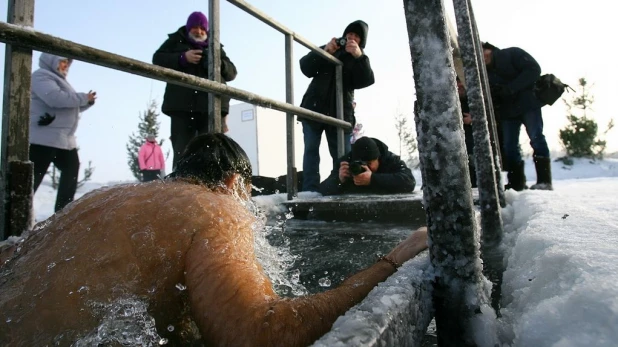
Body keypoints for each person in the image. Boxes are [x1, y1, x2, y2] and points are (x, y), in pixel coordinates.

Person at [0, 133, 429, 346]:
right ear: (232, 182)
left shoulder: (97, 200)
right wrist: (389, 263)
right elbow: (256, 334)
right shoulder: (214, 206)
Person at [153, 11, 237, 169]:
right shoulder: (175, 41)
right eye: (194, 28)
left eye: (202, 28)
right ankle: (180, 187)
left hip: (210, 108)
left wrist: (217, 64)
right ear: (188, 28)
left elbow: (232, 73)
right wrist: (182, 58)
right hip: (181, 107)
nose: (199, 31)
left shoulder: (216, 46)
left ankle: (208, 186)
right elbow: (157, 59)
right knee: (182, 151)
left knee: (211, 151)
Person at [299, 20, 375, 192]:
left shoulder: (359, 59)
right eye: (350, 34)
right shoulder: (330, 49)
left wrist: (359, 57)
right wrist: (326, 51)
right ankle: (309, 191)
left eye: (356, 36)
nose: (351, 38)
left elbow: (367, 80)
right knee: (311, 151)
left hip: (340, 114)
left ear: (361, 42)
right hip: (314, 108)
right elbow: (305, 67)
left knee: (342, 157)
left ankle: (341, 188)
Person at [29, 53, 97, 212]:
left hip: (63, 140)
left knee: (71, 172)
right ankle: (12, 217)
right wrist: (82, 98)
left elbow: (69, 104)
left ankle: (63, 213)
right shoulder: (41, 76)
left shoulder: (60, 81)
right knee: (30, 182)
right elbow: (54, 98)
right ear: (52, 61)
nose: (65, 66)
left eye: (67, 63)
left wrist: (87, 102)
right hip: (43, 138)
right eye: (62, 62)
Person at [482, 42, 553, 191]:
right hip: (508, 112)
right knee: (509, 146)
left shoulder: (512, 54)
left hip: (529, 105)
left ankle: (544, 182)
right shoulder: (483, 72)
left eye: (484, 51)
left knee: (536, 138)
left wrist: (511, 88)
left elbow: (534, 70)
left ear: (490, 49)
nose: (483, 55)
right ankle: (517, 184)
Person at [319, 136, 416, 196]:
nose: (365, 168)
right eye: (360, 164)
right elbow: (323, 189)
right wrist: (338, 180)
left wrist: (373, 179)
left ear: (378, 159)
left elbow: (409, 181)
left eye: (369, 164)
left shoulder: (389, 159)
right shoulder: (346, 162)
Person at [457, 76, 477, 188]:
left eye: (461, 82)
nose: (459, 85)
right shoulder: (452, 101)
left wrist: (474, 119)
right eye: (457, 82)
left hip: (474, 140)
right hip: (459, 142)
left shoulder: (475, 99)